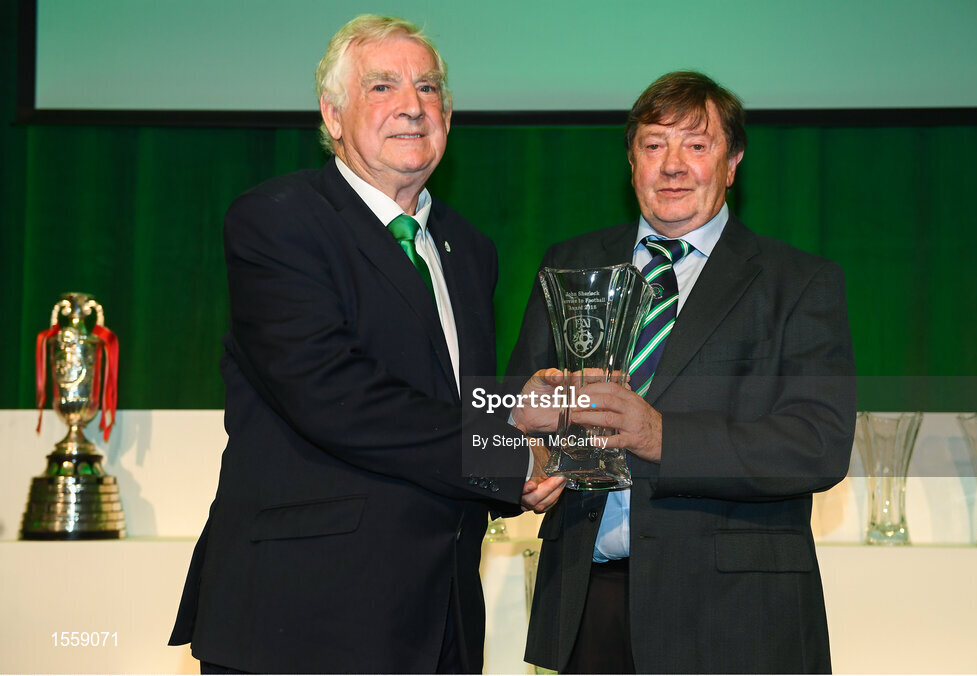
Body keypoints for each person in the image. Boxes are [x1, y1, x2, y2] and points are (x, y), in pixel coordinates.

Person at [169, 15, 562, 674]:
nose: (413, 105)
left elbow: (446, 401)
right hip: (304, 621)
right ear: (333, 115)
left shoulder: (469, 249)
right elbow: (333, 394)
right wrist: (509, 457)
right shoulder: (280, 220)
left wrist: (533, 427)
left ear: (448, 115)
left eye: (429, 88)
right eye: (383, 87)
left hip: (441, 622)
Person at [506, 71, 857, 673]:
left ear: (732, 162)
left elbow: (817, 445)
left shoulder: (798, 282)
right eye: (653, 145)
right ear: (631, 161)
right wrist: (524, 458)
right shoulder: (569, 264)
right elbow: (517, 407)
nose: (672, 165)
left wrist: (661, 437)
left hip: (734, 618)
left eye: (696, 145)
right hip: (587, 604)